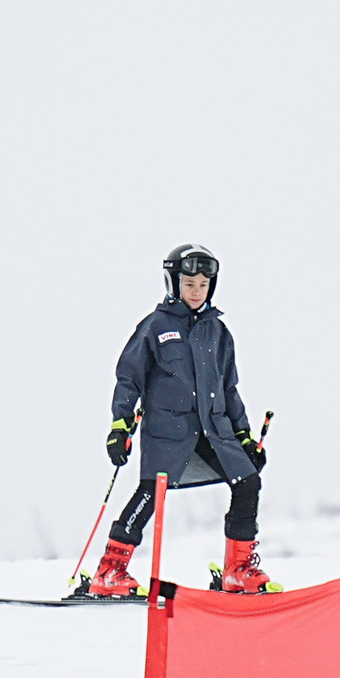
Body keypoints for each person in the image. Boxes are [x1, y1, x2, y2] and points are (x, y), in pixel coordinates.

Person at [85, 243, 271, 600]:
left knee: (247, 481)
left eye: (203, 284)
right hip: (168, 433)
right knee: (149, 494)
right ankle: (110, 571)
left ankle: (237, 569)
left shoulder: (219, 333)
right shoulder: (156, 326)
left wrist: (244, 436)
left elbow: (229, 389)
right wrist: (120, 426)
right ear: (173, 283)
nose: (196, 291)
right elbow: (129, 378)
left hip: (214, 431)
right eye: (189, 284)